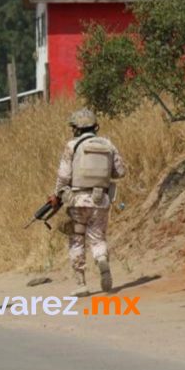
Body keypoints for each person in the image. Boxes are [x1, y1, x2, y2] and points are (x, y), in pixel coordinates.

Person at [51, 108, 126, 296]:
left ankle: (81, 284)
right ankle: (101, 258)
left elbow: (63, 176)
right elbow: (120, 172)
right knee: (98, 238)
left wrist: (56, 194)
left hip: (77, 202)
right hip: (100, 201)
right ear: (95, 126)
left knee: (76, 241)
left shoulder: (72, 146)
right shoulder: (109, 145)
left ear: (76, 128)